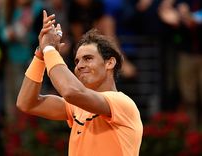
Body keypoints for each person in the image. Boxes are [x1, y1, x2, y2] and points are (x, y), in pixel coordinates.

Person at [16, 10, 143, 156]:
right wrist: (40, 54)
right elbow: (26, 103)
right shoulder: (77, 106)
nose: (79, 66)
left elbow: (71, 92)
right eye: (77, 61)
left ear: (110, 63)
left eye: (88, 58)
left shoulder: (122, 103)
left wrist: (50, 49)